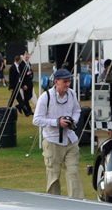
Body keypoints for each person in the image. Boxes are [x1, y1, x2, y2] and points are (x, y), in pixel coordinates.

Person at [33, 69, 83, 198]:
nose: (68, 84)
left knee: (74, 173)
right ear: (56, 82)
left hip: (71, 139)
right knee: (53, 176)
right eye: (65, 81)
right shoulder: (46, 97)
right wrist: (56, 122)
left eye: (69, 81)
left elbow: (77, 110)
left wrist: (73, 120)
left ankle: (77, 205)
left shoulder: (72, 94)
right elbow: (36, 120)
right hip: (53, 141)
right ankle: (54, 205)